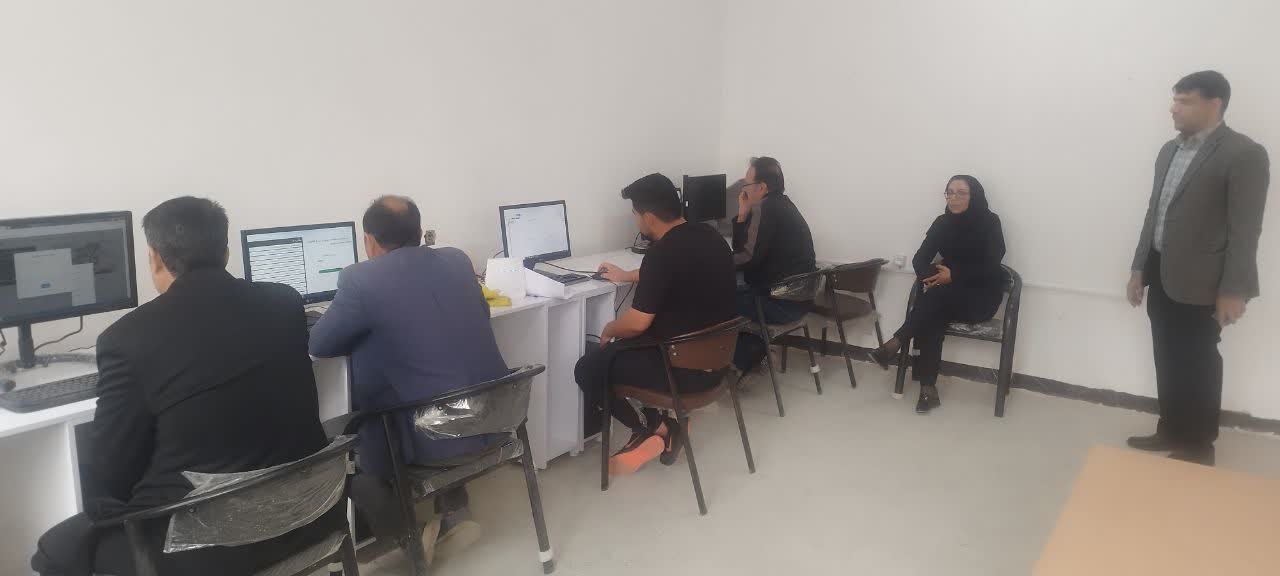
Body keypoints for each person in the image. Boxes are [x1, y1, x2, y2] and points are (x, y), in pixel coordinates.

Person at [32, 197, 343, 576]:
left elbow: (111, 475)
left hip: (203, 550)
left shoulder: (127, 339)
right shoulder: (284, 302)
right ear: (226, 251)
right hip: (310, 517)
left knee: (55, 549)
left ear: (154, 259)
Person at [309, 196, 508, 560]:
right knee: (406, 363)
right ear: (419, 231)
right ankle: (454, 509)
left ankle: (409, 541)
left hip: (437, 432)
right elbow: (481, 313)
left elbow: (320, 345)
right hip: (495, 416)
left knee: (358, 429)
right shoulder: (457, 259)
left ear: (369, 241)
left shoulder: (360, 279)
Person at [1125, 71, 1270, 467]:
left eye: (1184, 100)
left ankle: (1199, 444)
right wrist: (1139, 268)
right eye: (1175, 99)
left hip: (1205, 281)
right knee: (1166, 354)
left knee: (1199, 361)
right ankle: (1171, 429)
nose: (1173, 108)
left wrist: (1234, 290)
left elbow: (1245, 230)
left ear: (1214, 103)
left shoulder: (1244, 154)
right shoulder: (1168, 151)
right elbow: (1154, 213)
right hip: (1161, 271)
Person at [581, 173, 736, 475]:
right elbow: (673, 270)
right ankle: (664, 427)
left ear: (649, 217)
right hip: (718, 366)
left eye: (635, 214)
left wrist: (609, 329)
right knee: (624, 350)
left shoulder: (660, 254)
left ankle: (652, 427)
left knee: (589, 367)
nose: (636, 221)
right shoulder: (711, 237)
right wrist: (628, 275)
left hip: (678, 373)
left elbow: (637, 324)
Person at [869, 176, 1007, 414]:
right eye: (949, 192)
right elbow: (920, 259)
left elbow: (992, 264)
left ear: (974, 196)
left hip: (981, 296)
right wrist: (932, 277)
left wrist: (954, 275)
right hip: (946, 294)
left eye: (961, 193)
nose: (954, 198)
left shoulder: (990, 222)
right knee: (933, 311)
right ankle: (927, 390)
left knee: (933, 301)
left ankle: (895, 344)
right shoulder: (942, 223)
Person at [731, 156, 818, 371]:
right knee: (733, 287)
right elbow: (746, 253)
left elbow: (747, 257)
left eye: (746, 184)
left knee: (713, 297)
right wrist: (742, 215)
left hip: (779, 304)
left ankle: (748, 359)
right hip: (798, 301)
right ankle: (755, 354)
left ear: (761, 187)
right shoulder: (784, 204)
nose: (744, 190)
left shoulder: (765, 208)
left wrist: (714, 263)